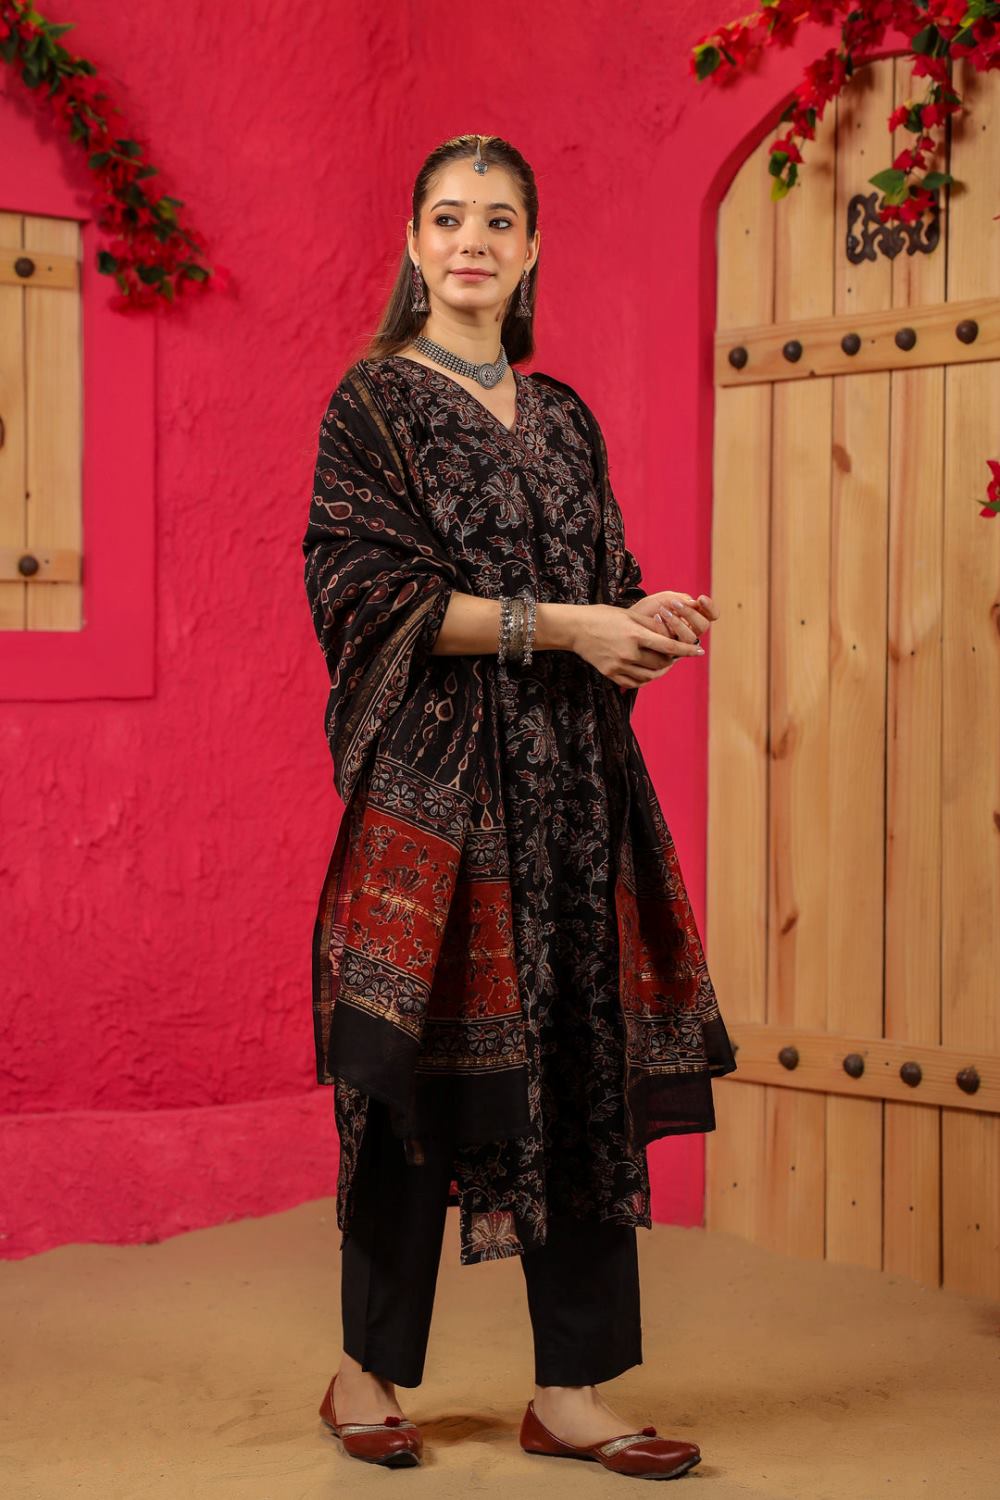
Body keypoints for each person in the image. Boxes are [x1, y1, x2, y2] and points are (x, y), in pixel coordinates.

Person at [302, 132, 737, 1479]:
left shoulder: (562, 418)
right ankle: (364, 1370)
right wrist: (571, 626)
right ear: (414, 244)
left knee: (583, 1060)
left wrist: (641, 619)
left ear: (533, 246)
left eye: (498, 219)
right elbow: (371, 604)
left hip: (572, 795)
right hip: (436, 800)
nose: (473, 241)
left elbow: (603, 577)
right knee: (411, 1075)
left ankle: (574, 1391)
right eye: (448, 218)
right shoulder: (373, 404)